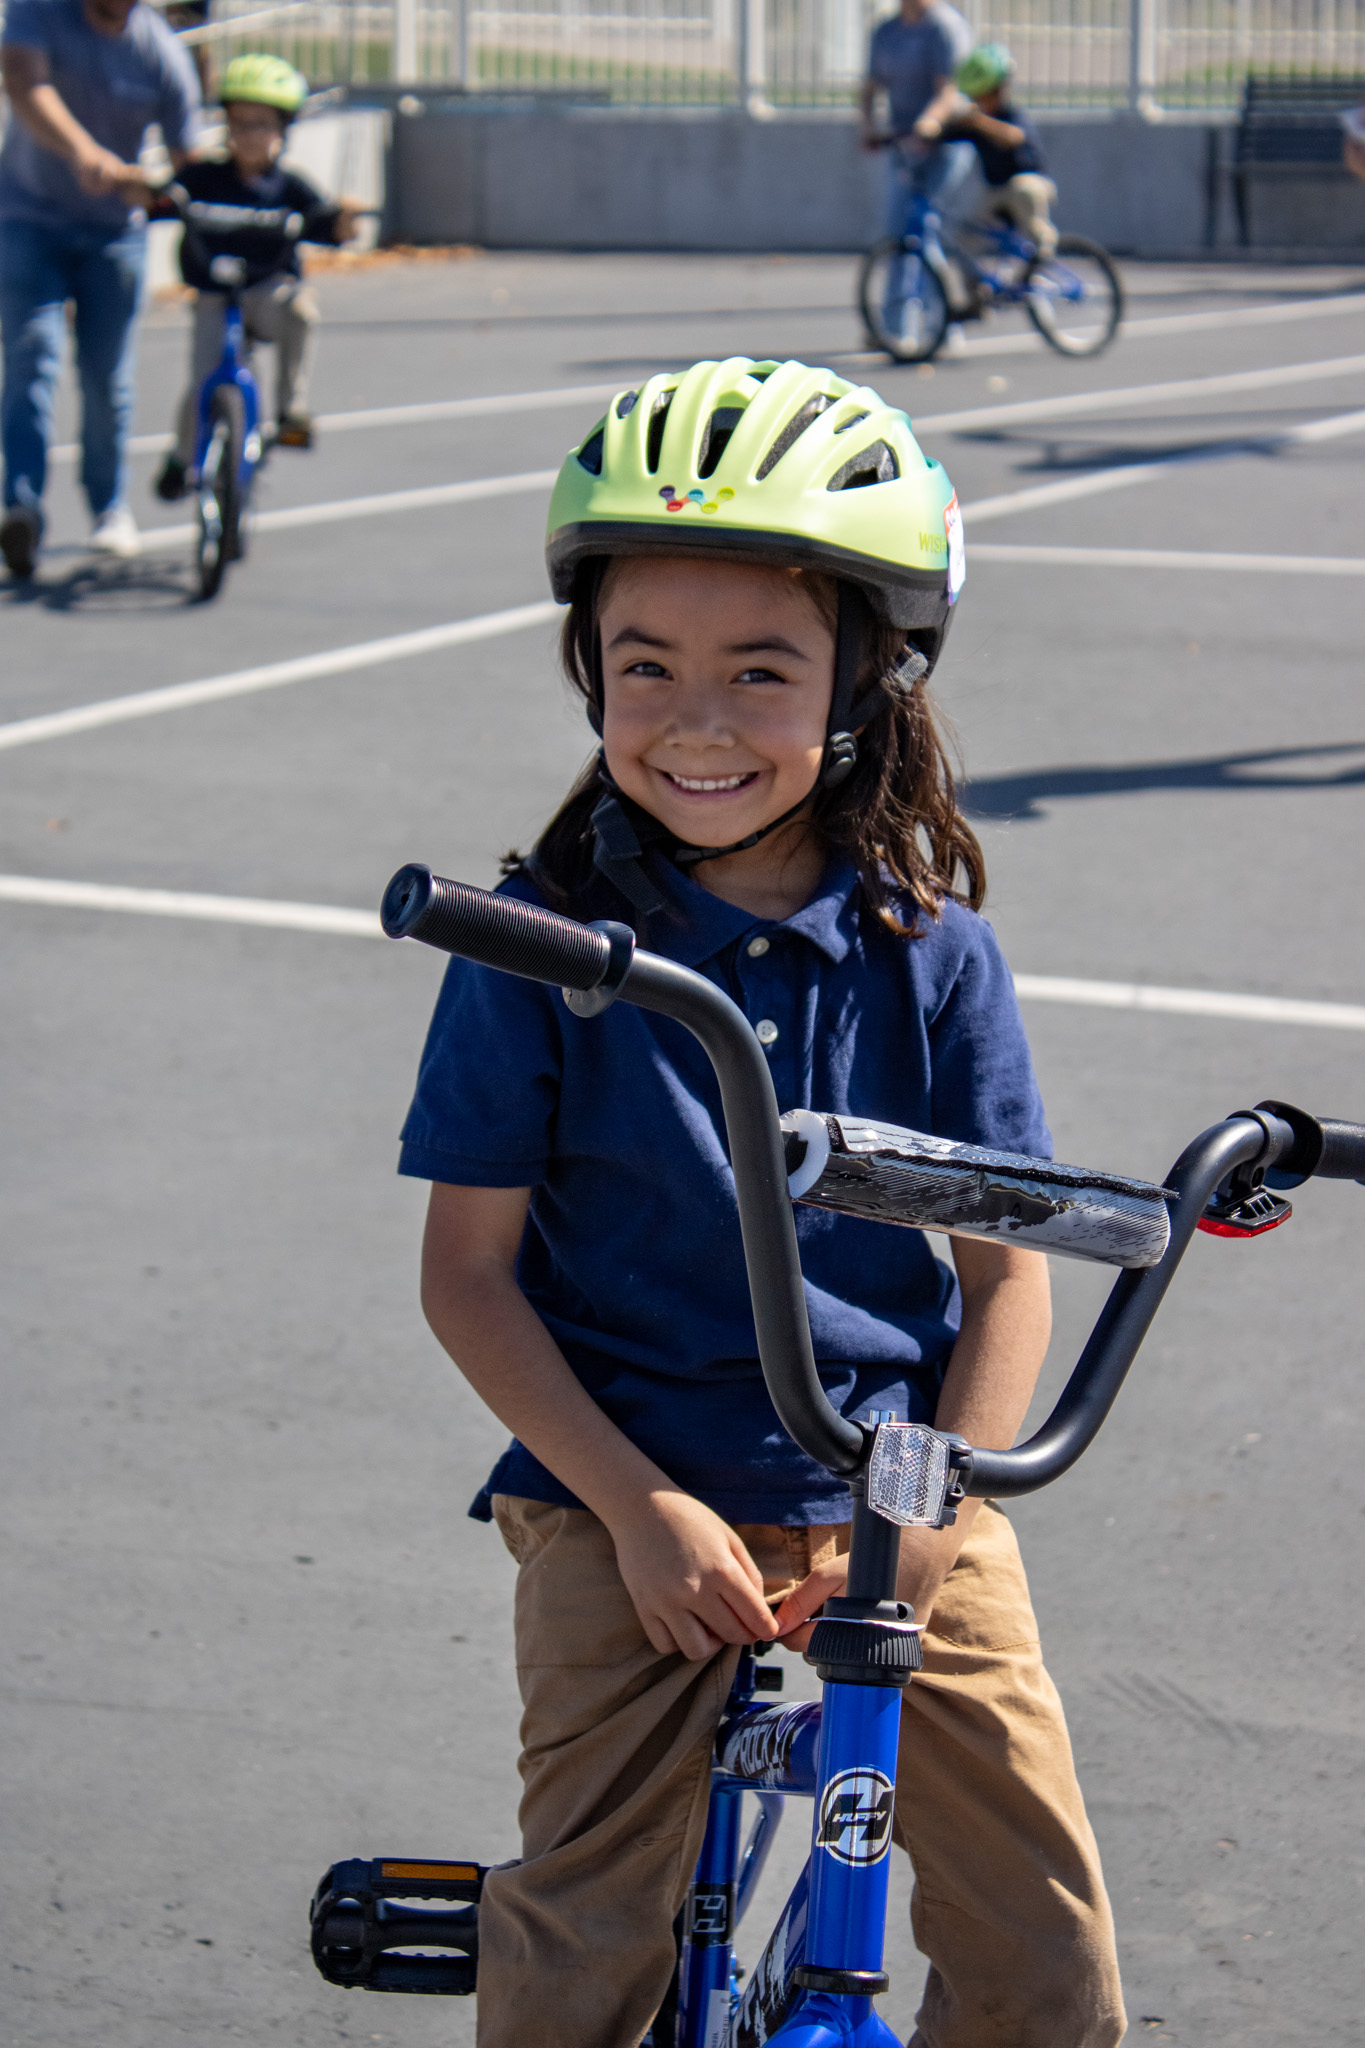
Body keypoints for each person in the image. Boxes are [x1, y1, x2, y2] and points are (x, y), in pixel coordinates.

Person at [399, 357, 1127, 2048]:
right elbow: (468, 1274)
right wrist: (640, 1506)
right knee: (581, 1941)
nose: (698, 719)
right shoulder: (544, 946)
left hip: (893, 1481)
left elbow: (1005, 1272)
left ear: (868, 682)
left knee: (1049, 1965)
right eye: (644, 666)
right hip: (619, 1479)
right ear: (589, 671)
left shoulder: (934, 956)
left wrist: (940, 1512)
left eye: (762, 669)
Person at [0, 0, 200, 580]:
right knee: (32, 356)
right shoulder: (38, 12)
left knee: (106, 376)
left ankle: (108, 506)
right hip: (28, 220)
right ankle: (22, 508)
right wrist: (84, 151)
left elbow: (190, 156)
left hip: (115, 237)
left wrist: (168, 189)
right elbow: (23, 82)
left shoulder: (160, 50)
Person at [151, 52, 358, 501]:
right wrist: (145, 194)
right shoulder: (204, 178)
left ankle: (289, 411)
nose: (248, 136)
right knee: (204, 382)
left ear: (283, 131)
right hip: (213, 295)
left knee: (300, 308)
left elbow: (328, 225)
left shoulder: (290, 188)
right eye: (238, 123)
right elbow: (163, 199)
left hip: (267, 293)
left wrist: (344, 224)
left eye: (260, 124)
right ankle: (182, 457)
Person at [859, 0, 975, 353]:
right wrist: (869, 127)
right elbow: (870, 88)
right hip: (905, 146)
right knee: (900, 232)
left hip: (946, 145)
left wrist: (930, 121)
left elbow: (949, 89)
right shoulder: (886, 31)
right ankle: (895, 328)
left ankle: (941, 324)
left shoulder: (944, 26)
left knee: (923, 231)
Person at [944, 42, 1057, 259]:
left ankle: (1043, 252)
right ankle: (979, 289)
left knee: (1024, 191)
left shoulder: (1011, 115)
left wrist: (979, 121)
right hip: (996, 192)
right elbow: (942, 135)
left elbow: (1013, 137)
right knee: (966, 238)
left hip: (1029, 181)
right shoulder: (974, 123)